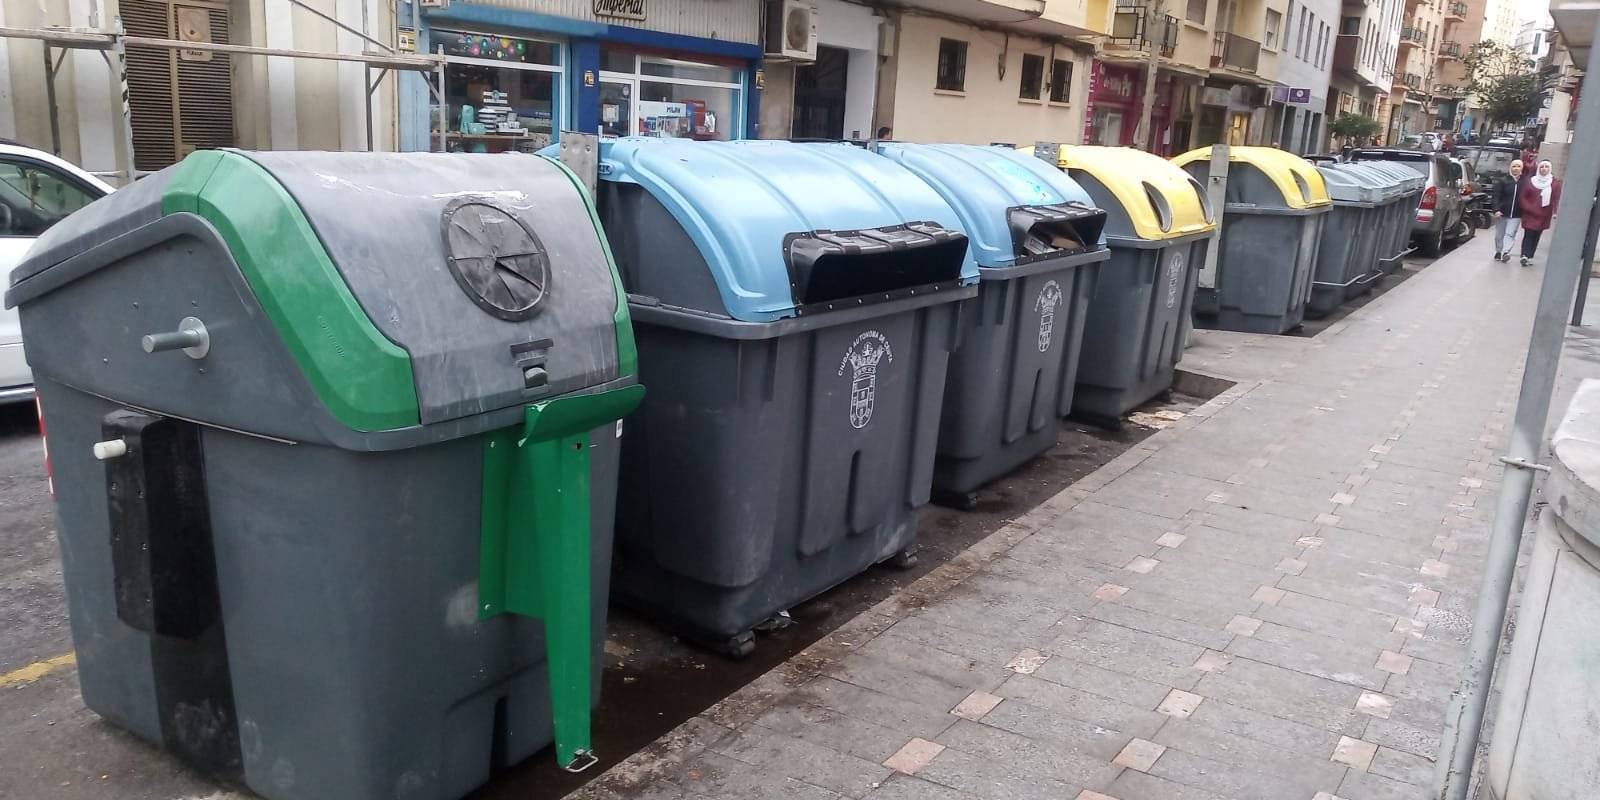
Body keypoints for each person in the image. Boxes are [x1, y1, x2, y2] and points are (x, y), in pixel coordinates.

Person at [1518, 159, 1562, 266]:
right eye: (1542, 167)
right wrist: (1529, 208)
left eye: (1546, 167)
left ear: (1550, 169)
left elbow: (1556, 198)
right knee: (1529, 234)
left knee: (1537, 235)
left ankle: (1529, 256)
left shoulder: (1554, 183)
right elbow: (1523, 197)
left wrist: (1555, 212)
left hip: (1544, 214)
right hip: (1530, 214)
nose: (1544, 169)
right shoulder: (1530, 181)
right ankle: (1524, 255)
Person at [1492, 159, 1525, 262]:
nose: (1516, 168)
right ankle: (1498, 251)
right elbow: (1496, 196)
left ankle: (1506, 252)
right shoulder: (1503, 181)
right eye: (1514, 166)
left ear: (1521, 168)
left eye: (1518, 166)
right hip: (1502, 213)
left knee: (1510, 233)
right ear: (1511, 168)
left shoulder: (1525, 182)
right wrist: (1496, 209)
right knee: (1499, 235)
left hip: (1516, 214)